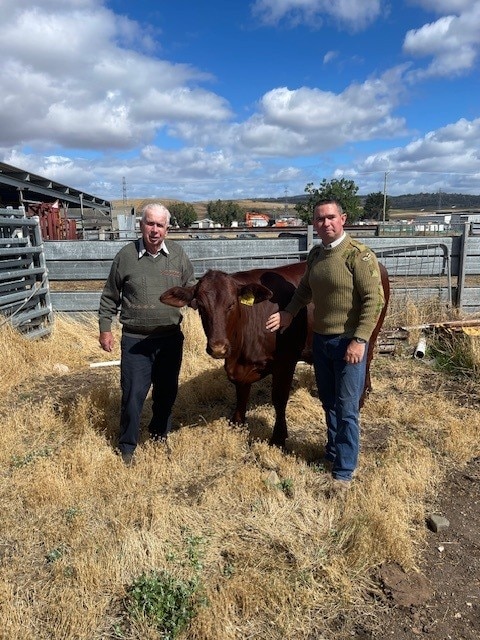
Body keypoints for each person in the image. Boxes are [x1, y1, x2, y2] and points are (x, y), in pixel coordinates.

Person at [266, 198, 384, 492]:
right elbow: (305, 289)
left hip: (349, 342)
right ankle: (332, 453)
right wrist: (289, 312)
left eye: (331, 217)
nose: (325, 223)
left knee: (346, 407)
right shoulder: (316, 255)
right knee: (329, 402)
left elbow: (374, 301)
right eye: (319, 219)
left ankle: (344, 471)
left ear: (343, 219)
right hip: (322, 341)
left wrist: (359, 340)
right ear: (314, 224)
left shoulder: (359, 256)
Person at [98, 203, 196, 465]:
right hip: (135, 341)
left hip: (169, 340)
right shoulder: (125, 256)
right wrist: (105, 329)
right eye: (150, 224)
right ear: (141, 225)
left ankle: (159, 435)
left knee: (166, 393)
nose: (155, 230)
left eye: (160, 225)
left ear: (167, 228)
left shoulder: (177, 255)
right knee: (132, 395)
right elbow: (110, 296)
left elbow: (191, 290)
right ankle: (127, 446)